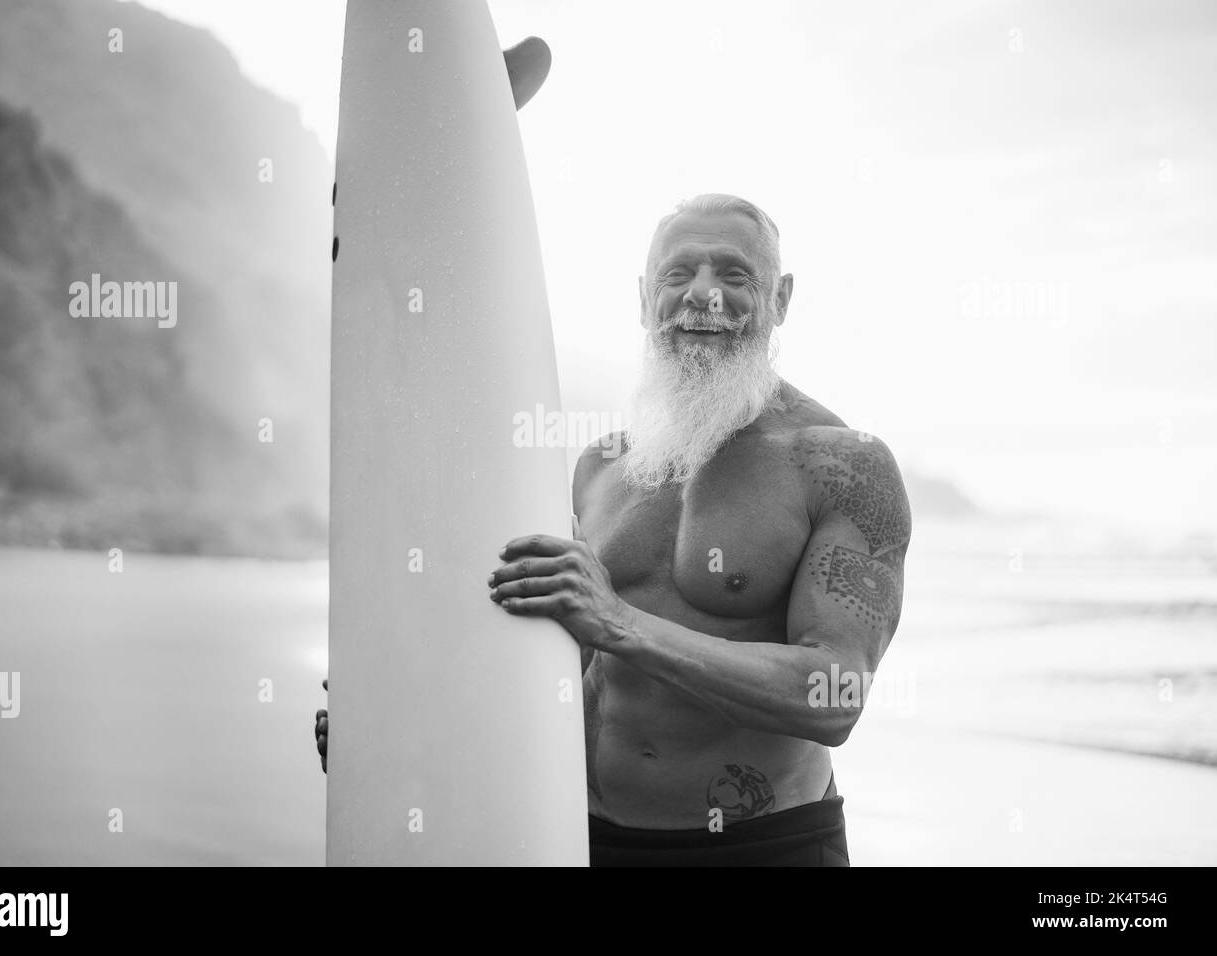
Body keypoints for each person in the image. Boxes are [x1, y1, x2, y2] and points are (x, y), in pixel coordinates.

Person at [316, 39, 910, 868]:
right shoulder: (600, 465)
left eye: (736, 275)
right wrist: (398, 721)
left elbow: (834, 695)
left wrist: (622, 622)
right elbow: (545, 653)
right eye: (680, 273)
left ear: (781, 298)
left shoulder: (842, 465)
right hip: (577, 839)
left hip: (760, 846)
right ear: (643, 299)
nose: (703, 294)